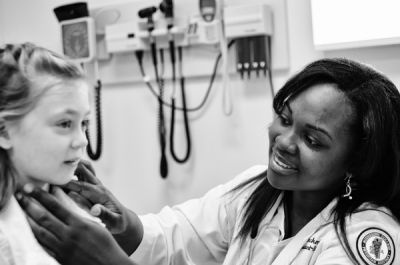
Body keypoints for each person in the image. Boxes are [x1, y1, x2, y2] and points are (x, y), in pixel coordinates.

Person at [17, 58, 400, 265]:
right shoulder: (259, 189)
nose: (283, 142)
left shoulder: (366, 241)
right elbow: (177, 238)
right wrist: (122, 221)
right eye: (283, 119)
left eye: (312, 139)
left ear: (357, 162)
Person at [0, 43, 103, 265]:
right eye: (65, 123)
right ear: (4, 131)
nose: (82, 140)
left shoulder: (80, 212)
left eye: (84, 123)